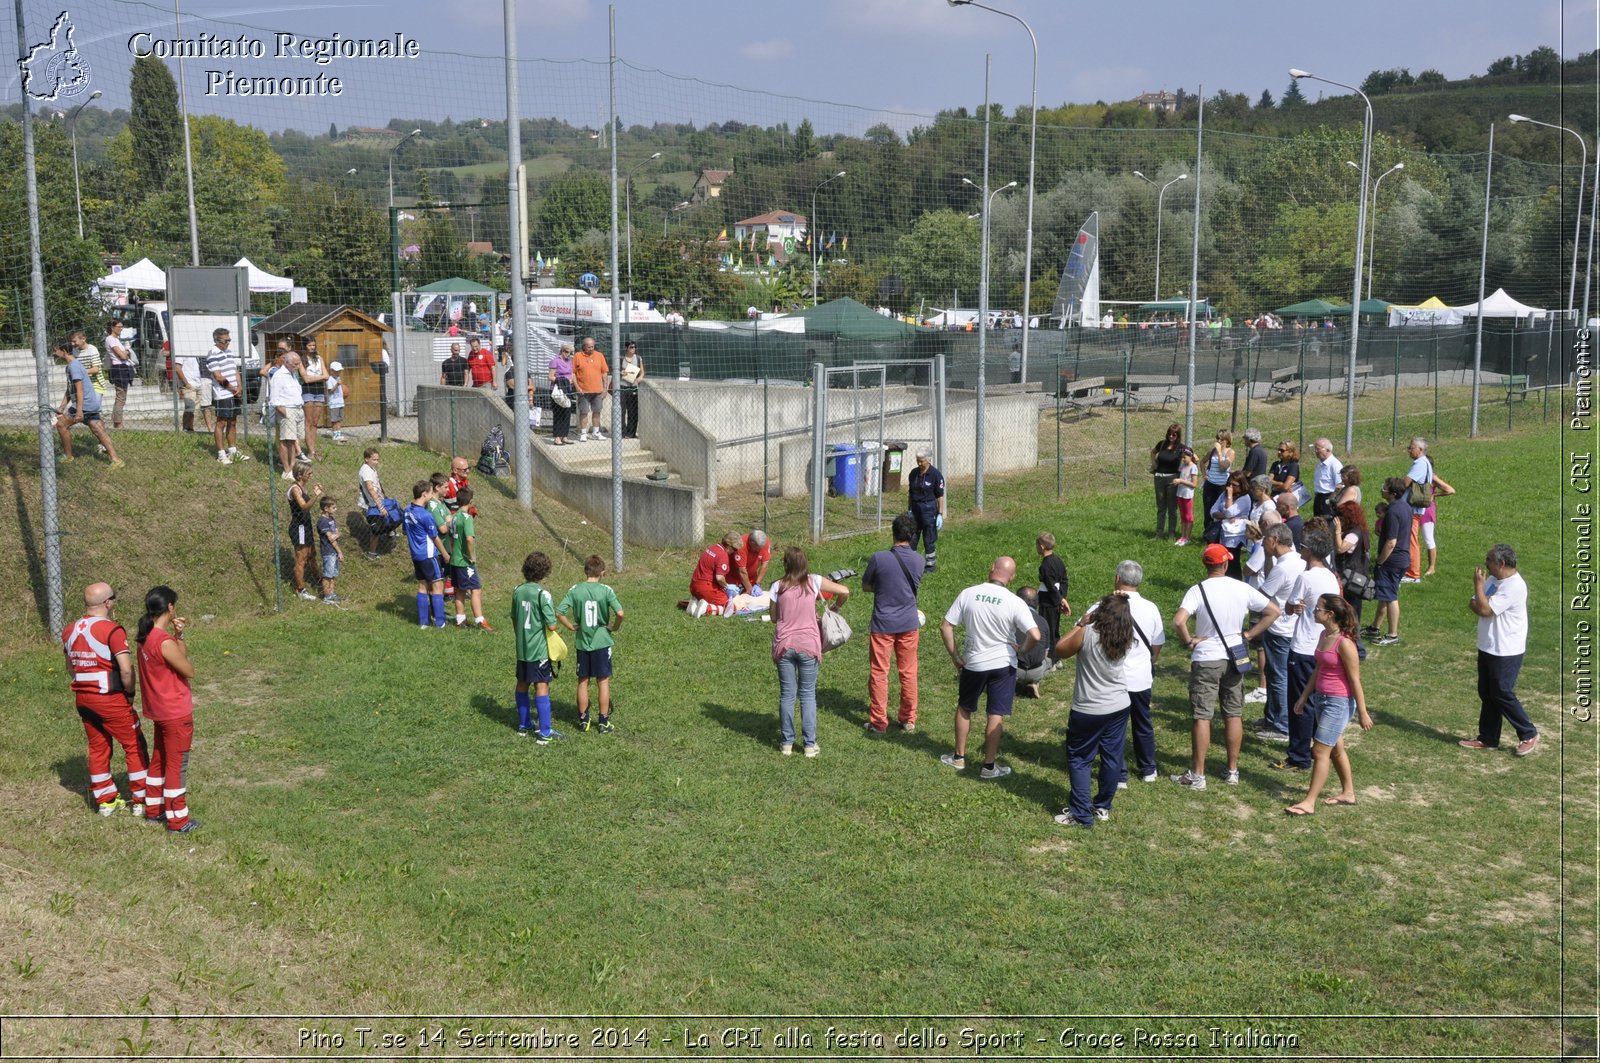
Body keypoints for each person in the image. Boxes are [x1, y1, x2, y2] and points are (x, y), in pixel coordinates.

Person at [1169, 544, 1280, 791]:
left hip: (1207, 658)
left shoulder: (1197, 590)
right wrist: (1249, 635)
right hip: (1234, 656)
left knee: (1202, 716)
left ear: (1206, 565)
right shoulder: (1241, 588)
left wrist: (1189, 640)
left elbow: (1178, 621)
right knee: (1233, 713)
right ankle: (1232, 771)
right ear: (1226, 564)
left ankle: (1198, 775)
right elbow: (1273, 611)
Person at [937, 556, 1041, 780]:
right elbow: (1035, 635)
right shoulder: (1015, 601)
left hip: (974, 662)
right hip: (1003, 664)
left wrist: (955, 656)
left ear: (991, 568)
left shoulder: (969, 593)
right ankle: (989, 766)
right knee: (995, 714)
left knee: (965, 707)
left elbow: (946, 626)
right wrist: (1021, 650)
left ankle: (958, 757)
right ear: (1012, 577)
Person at [62, 582, 148, 816]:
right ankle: (142, 800)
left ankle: (106, 801)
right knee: (134, 744)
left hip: (83, 698)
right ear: (108, 603)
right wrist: (129, 694)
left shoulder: (69, 630)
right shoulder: (112, 630)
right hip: (109, 698)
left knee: (98, 747)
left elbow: (70, 666)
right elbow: (127, 670)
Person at [1052, 593, 1136, 829]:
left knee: (1080, 759)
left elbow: (1060, 649)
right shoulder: (1126, 635)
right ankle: (1102, 806)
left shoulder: (1088, 633)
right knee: (1112, 756)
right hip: (1119, 704)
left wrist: (1081, 623)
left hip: (1089, 707)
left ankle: (1080, 814)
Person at [1285, 594, 1373, 815]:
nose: (1314, 611)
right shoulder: (1324, 634)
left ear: (1330, 614)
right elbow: (1318, 669)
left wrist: (1362, 712)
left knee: (1320, 751)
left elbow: (1355, 680)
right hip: (1321, 699)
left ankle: (1309, 802)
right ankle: (1348, 793)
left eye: (1318, 609)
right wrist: (1304, 696)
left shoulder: (1345, 644)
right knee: (1336, 749)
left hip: (1338, 702)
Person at [1088, 560, 1165, 787]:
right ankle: (1148, 768)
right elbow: (1157, 644)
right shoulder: (1151, 608)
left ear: (1117, 579)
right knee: (1143, 723)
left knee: (1113, 729)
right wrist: (1147, 661)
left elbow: (1080, 629)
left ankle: (1119, 774)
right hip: (1140, 678)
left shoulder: (1104, 606)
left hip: (1112, 679)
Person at [1275, 530, 1343, 774]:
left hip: (1303, 646)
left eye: (1302, 546)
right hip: (1323, 644)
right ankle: (1320, 746)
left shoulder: (1306, 577)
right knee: (1316, 700)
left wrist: (1293, 606)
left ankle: (1298, 756)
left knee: (1299, 703)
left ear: (1310, 551)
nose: (1300, 549)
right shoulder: (1331, 576)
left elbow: (1291, 607)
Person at [772, 546, 851, 756]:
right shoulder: (814, 581)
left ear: (785, 564)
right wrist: (835, 608)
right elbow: (844, 591)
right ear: (805, 563)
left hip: (784, 645)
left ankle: (787, 743)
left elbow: (773, 617)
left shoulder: (777, 586)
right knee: (807, 694)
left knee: (787, 695)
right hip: (809, 645)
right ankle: (809, 745)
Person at [1460, 544, 1537, 757]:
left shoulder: (1514, 587)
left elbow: (1483, 609)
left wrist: (1478, 586)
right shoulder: (1494, 581)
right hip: (1488, 645)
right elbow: (1473, 604)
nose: (1485, 565)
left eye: (1489, 561)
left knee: (1502, 692)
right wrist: (1480, 596)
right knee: (1487, 692)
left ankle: (1528, 733)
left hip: (1506, 649)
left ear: (1501, 563)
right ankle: (1488, 737)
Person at [135, 585, 199, 833]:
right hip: (175, 712)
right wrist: (175, 639)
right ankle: (178, 820)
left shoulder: (145, 637)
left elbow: (178, 657)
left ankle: (154, 810)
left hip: (158, 710)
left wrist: (179, 636)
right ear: (170, 607)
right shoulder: (162, 642)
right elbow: (189, 670)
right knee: (176, 764)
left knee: (160, 758)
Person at [862, 512, 925, 734]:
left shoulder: (879, 558)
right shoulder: (920, 560)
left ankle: (879, 722)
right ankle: (908, 719)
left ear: (893, 533)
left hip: (883, 625)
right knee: (908, 672)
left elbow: (866, 586)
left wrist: (883, 587)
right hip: (909, 623)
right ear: (913, 535)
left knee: (880, 672)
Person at [558, 555, 625, 733]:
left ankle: (583, 720)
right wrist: (614, 628)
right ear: (602, 573)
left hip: (582, 642)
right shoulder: (606, 590)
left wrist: (571, 627)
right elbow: (620, 613)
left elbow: (559, 612)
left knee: (583, 680)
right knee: (603, 681)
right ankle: (603, 721)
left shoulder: (575, 590)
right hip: (602, 641)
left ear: (585, 571)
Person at [1254, 524, 1305, 745]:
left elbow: (1262, 596)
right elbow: (1270, 579)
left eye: (1265, 539)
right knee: (1274, 673)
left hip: (1279, 629)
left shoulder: (1283, 568)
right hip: (1291, 627)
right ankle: (1271, 717)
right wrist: (1267, 556)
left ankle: (1281, 725)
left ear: (1274, 539)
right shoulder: (1297, 561)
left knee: (1278, 677)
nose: (1263, 542)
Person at [512, 551, 562, 743]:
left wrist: (520, 639)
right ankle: (545, 733)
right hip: (538, 649)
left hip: (523, 648)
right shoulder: (543, 594)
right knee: (542, 685)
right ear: (545, 572)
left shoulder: (517, 590)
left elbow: (515, 619)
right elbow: (551, 625)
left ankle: (524, 725)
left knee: (522, 683)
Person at [53, 339, 123, 468]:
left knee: (61, 425)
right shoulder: (71, 366)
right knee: (98, 430)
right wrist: (62, 407)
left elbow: (80, 390)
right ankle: (116, 460)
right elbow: (70, 389)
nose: (54, 353)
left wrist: (79, 411)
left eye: (55, 350)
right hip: (91, 403)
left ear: (63, 350)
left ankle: (68, 456)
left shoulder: (74, 366)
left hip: (84, 404)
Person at [1371, 477, 1413, 646]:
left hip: (1392, 560)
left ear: (1393, 493)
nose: (1382, 489)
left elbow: (1391, 542)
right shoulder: (1405, 506)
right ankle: (1375, 627)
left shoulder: (1393, 511)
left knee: (1391, 597)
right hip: (1402, 558)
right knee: (1385, 593)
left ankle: (1392, 635)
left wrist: (1380, 562)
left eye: (1385, 487)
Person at [403, 480, 449, 630]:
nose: (431, 495)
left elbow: (405, 530)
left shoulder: (407, 510)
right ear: (424, 494)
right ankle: (440, 622)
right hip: (429, 555)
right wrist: (445, 555)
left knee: (422, 586)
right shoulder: (425, 515)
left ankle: (424, 622)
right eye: (430, 493)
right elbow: (435, 537)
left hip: (416, 555)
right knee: (437, 585)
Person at [448, 487, 493, 632]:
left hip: (454, 559)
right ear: (471, 501)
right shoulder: (467, 518)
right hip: (464, 561)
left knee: (460, 590)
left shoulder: (454, 517)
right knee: (476, 589)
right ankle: (480, 621)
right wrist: (471, 556)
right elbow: (469, 539)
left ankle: (460, 619)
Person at [206, 327, 249, 465]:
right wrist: (232, 389)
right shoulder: (212, 354)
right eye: (226, 340)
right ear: (217, 340)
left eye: (229, 340)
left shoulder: (229, 352)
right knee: (221, 422)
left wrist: (239, 386)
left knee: (233, 421)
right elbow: (217, 376)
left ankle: (233, 451)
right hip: (223, 393)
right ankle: (220, 453)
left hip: (234, 391)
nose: (228, 343)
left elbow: (235, 370)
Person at [1333, 500, 1371, 635]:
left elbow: (1340, 548)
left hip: (1351, 580)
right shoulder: (1361, 530)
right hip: (1356, 577)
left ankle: (1357, 645)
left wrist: (1337, 532)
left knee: (1352, 612)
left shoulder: (1353, 534)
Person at [287, 461, 322, 601]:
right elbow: (303, 506)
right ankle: (300, 589)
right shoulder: (295, 489)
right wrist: (315, 496)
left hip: (306, 526)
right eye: (309, 474)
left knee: (312, 555)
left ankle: (319, 581)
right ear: (300, 475)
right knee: (301, 559)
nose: (311, 475)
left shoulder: (303, 488)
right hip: (299, 527)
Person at [908, 446, 946, 572]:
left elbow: (940, 496)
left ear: (928, 460)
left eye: (921, 461)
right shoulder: (913, 474)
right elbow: (910, 493)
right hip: (915, 507)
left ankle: (930, 564)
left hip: (928, 508)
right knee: (912, 536)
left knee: (928, 538)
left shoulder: (935, 475)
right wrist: (909, 509)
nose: (919, 463)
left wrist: (940, 513)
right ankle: (911, 563)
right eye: (917, 460)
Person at [1208, 470, 1251, 577]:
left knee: (1232, 564)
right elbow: (1212, 510)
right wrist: (1225, 516)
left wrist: (1230, 497)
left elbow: (1229, 511)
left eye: (1234, 485)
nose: (1230, 487)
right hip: (1222, 533)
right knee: (1220, 562)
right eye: (1229, 483)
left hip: (1234, 537)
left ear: (1241, 486)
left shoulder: (1245, 498)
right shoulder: (1224, 494)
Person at [270, 351, 306, 476]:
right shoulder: (279, 376)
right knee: (285, 441)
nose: (298, 367)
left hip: (298, 409)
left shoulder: (293, 374)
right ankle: (287, 470)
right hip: (287, 410)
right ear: (286, 362)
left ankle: (293, 466)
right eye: (295, 364)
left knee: (293, 441)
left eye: (299, 364)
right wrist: (285, 413)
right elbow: (274, 399)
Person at [1036, 531, 1070, 658]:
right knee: (1055, 629)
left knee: (1046, 630)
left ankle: (1051, 658)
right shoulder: (1058, 561)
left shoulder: (1045, 565)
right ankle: (1057, 656)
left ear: (1041, 546)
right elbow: (1064, 580)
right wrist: (1063, 597)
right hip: (1055, 602)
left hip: (1047, 602)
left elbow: (1050, 586)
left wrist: (1060, 599)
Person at [1013, 587, 1052, 697]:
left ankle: (1012, 682)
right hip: (1036, 671)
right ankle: (1034, 682)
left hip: (1016, 669)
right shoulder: (1043, 622)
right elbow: (1045, 652)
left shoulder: (1012, 619)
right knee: (1048, 661)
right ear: (1037, 603)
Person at [1150, 422, 1184, 539]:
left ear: (1178, 435)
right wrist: (1154, 463)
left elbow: (1193, 458)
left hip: (1172, 479)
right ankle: (1159, 533)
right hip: (1159, 477)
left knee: (1172, 508)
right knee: (1161, 507)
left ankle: (1171, 534)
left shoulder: (1181, 448)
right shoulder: (1162, 444)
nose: (1171, 436)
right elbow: (1153, 452)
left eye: (1174, 435)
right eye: (1169, 434)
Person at [572, 336, 611, 441]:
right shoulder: (577, 356)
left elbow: (604, 372)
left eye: (592, 347)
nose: (591, 349)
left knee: (597, 411)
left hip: (598, 390)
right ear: (584, 346)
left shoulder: (599, 355)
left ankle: (596, 432)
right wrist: (577, 387)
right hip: (583, 390)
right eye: (589, 347)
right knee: (584, 412)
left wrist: (605, 388)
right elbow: (573, 373)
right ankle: (583, 433)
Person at [104, 320, 137, 429]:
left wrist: (125, 353)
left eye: (122, 326)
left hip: (123, 368)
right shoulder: (110, 339)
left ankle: (117, 421)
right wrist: (127, 352)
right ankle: (118, 423)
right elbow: (122, 356)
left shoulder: (116, 340)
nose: (121, 328)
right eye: (119, 326)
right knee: (120, 397)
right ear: (112, 327)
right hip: (119, 369)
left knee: (121, 397)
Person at [1201, 429, 1235, 536]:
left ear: (1227, 441)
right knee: (1208, 511)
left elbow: (1223, 467)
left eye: (1222, 439)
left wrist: (1220, 453)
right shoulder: (1212, 451)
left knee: (1221, 511)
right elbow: (1202, 462)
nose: (1219, 441)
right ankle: (1208, 534)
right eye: (1217, 439)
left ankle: (1220, 533)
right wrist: (1204, 475)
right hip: (1210, 485)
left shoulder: (1230, 452)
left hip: (1222, 486)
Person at [299, 338, 328, 461]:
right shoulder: (302, 360)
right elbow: (305, 379)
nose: (312, 347)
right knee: (308, 421)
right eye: (310, 345)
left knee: (315, 422)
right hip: (307, 391)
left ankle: (313, 449)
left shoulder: (319, 358)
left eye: (314, 345)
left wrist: (314, 377)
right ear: (305, 346)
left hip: (319, 391)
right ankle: (310, 450)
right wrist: (319, 377)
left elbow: (326, 376)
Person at [727, 529, 772, 597]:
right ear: (751, 543)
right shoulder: (741, 545)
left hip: (751, 575)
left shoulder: (764, 542)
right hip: (734, 575)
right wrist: (749, 590)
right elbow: (742, 571)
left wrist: (757, 583)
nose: (759, 550)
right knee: (733, 598)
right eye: (757, 548)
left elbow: (764, 565)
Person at [317, 495, 343, 604]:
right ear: (326, 509)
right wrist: (339, 551)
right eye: (333, 507)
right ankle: (326, 596)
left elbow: (337, 533)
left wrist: (336, 535)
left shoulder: (331, 519)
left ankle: (332, 594)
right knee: (327, 575)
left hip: (334, 551)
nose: (335, 509)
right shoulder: (322, 521)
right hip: (328, 551)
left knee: (333, 574)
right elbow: (331, 538)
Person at [548, 343, 575, 445]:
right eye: (566, 352)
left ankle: (564, 436)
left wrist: (570, 380)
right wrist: (562, 380)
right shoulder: (555, 361)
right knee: (558, 413)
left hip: (567, 389)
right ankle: (557, 437)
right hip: (557, 390)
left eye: (570, 352)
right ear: (562, 351)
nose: (568, 354)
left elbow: (571, 374)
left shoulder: (569, 362)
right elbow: (550, 376)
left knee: (567, 412)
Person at [1310, 438, 1344, 518]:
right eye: (1315, 449)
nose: (1315, 451)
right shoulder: (1320, 465)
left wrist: (1330, 500)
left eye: (1318, 449)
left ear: (1328, 450)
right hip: (1319, 498)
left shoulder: (1335, 465)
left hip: (1328, 497)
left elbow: (1340, 485)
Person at [618, 340, 644, 438]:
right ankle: (622, 432)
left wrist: (640, 377)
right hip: (622, 386)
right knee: (621, 410)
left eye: (634, 347)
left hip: (633, 386)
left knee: (633, 410)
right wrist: (621, 372)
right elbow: (615, 369)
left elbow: (642, 371)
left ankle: (631, 433)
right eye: (631, 347)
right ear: (626, 348)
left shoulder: (638, 358)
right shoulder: (620, 358)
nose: (633, 349)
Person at [1174, 446, 1199, 546]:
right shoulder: (1183, 466)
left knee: (1188, 516)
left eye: (1185, 457)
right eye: (1182, 457)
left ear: (1191, 456)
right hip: (1180, 493)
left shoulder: (1193, 467)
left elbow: (1194, 484)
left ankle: (1187, 537)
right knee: (1182, 515)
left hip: (1188, 495)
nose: (1183, 459)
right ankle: (1183, 536)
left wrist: (1180, 481)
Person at [325, 361, 347, 443]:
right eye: (337, 371)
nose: (338, 373)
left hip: (340, 402)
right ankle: (335, 434)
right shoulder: (329, 380)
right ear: (332, 371)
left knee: (339, 419)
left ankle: (339, 433)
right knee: (334, 420)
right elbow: (330, 391)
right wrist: (337, 385)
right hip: (334, 403)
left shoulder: (338, 379)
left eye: (339, 371)